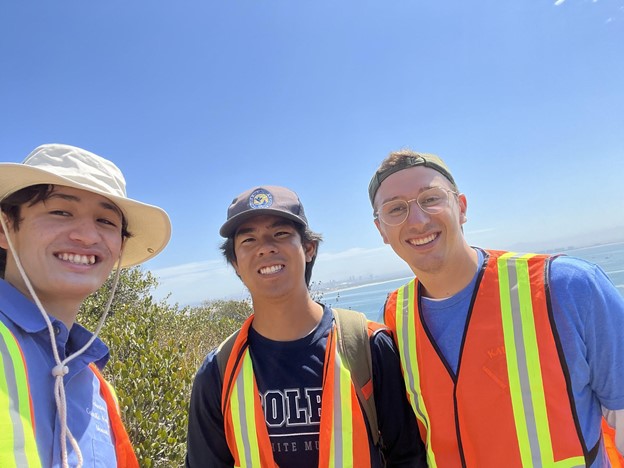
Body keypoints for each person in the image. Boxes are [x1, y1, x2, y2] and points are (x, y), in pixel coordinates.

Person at [368, 149, 624, 467]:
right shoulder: (395, 316)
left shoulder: (566, 286)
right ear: (381, 230)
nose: (418, 220)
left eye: (431, 199)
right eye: (396, 209)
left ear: (461, 207)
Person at [186, 185, 426, 467]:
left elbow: (409, 456)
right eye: (248, 240)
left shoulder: (367, 345)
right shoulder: (219, 370)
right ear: (235, 263)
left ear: (309, 248)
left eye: (280, 234)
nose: (265, 247)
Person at [0, 144, 171, 467]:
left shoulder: (97, 389)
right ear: (5, 227)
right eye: (61, 212)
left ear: (120, 245)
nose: (87, 235)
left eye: (106, 221)